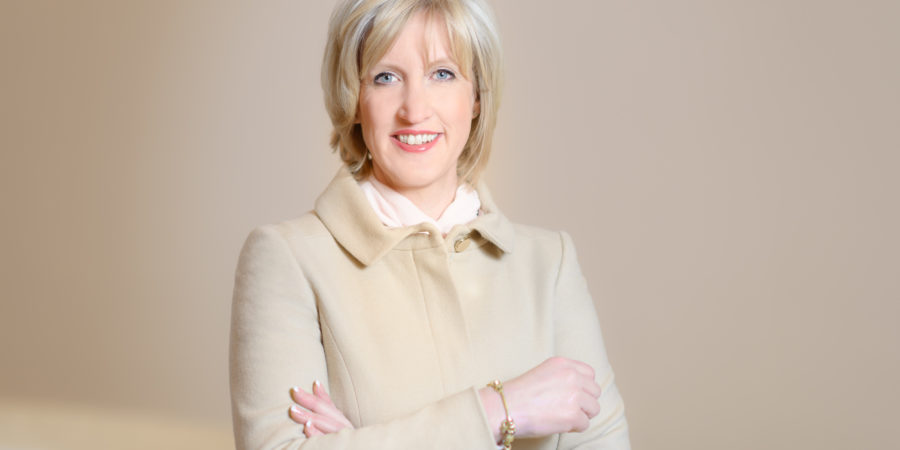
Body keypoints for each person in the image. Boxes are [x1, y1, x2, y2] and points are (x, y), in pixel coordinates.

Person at [229, 0, 631, 448]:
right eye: (386, 77)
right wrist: (500, 410)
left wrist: (361, 441)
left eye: (442, 73)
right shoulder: (287, 259)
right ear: (354, 99)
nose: (414, 109)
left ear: (476, 96)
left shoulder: (550, 263)